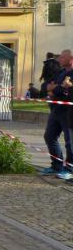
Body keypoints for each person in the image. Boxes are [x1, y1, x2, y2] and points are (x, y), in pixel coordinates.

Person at [41, 49, 73, 179]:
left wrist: (55, 89)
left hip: (69, 111)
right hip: (56, 109)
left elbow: (63, 89)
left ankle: (69, 169)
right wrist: (54, 88)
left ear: (71, 59)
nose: (59, 59)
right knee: (49, 136)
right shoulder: (61, 72)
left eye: (62, 57)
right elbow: (45, 86)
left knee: (69, 141)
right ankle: (56, 165)